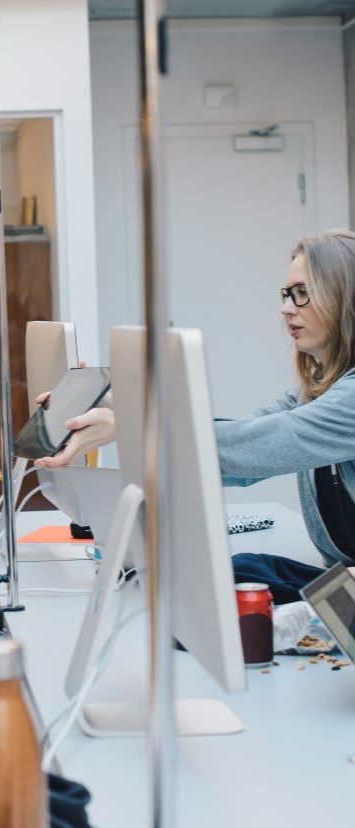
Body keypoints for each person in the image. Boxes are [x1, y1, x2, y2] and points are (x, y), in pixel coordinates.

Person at [35, 229, 355, 581]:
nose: (285, 308)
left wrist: (128, 426)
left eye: (301, 294)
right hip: (343, 578)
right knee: (234, 575)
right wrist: (114, 404)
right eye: (286, 294)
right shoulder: (318, 391)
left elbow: (263, 443)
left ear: (343, 297)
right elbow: (241, 444)